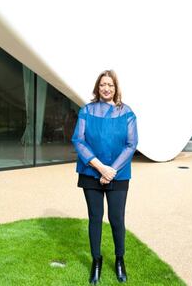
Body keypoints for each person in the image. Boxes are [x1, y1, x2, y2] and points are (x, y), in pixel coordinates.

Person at [72, 70, 138, 284]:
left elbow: (131, 145)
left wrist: (111, 172)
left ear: (116, 87)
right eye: (102, 85)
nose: (106, 88)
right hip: (91, 172)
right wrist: (101, 168)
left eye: (110, 84)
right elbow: (78, 140)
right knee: (95, 217)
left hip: (118, 175)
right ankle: (96, 260)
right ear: (97, 88)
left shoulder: (127, 113)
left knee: (116, 218)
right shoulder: (86, 111)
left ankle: (120, 259)